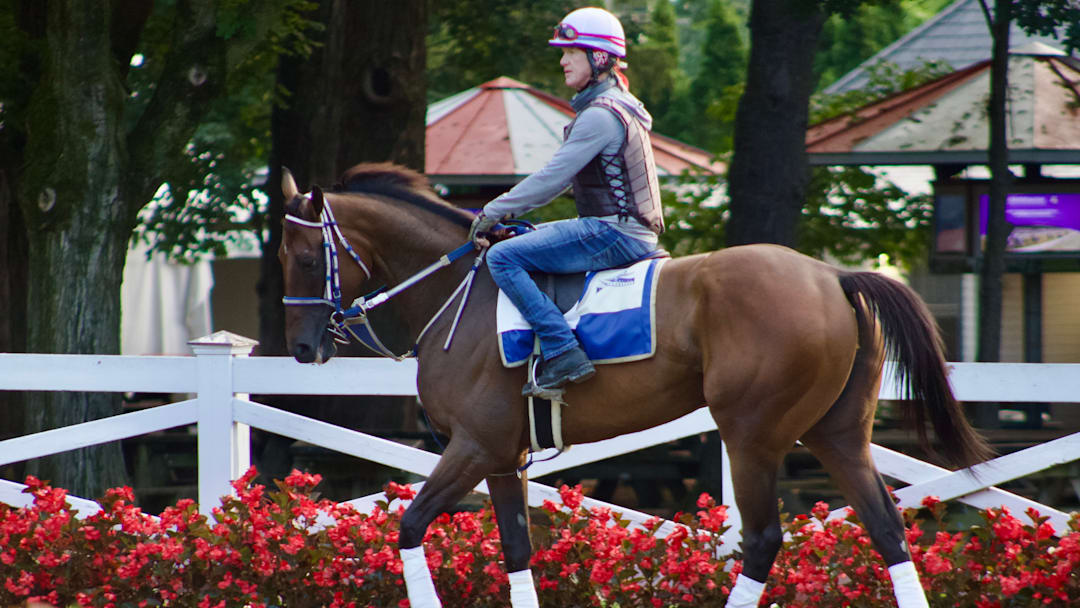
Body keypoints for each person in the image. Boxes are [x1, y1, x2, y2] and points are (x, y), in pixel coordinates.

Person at [468, 6, 665, 399]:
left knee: (502, 257)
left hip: (614, 233)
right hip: (620, 229)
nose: (563, 61)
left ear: (600, 57)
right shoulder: (620, 104)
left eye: (572, 52)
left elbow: (551, 180)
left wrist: (492, 212)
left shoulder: (600, 116)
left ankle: (561, 349)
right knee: (520, 239)